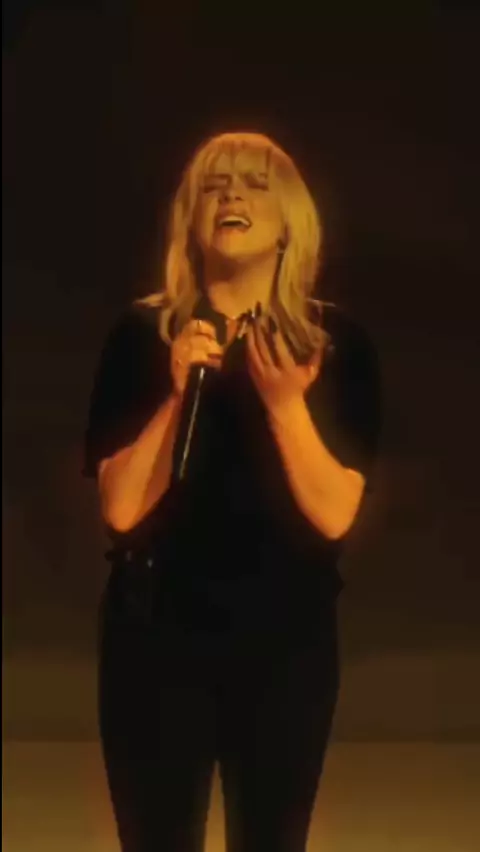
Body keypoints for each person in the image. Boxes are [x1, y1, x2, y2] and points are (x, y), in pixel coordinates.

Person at [84, 131, 382, 852]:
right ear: (191, 218)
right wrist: (175, 395)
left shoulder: (333, 344)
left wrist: (285, 405)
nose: (231, 197)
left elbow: (335, 514)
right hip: (154, 641)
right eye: (214, 187)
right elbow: (120, 508)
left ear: (288, 221)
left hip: (285, 647)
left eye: (253, 184)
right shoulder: (142, 335)